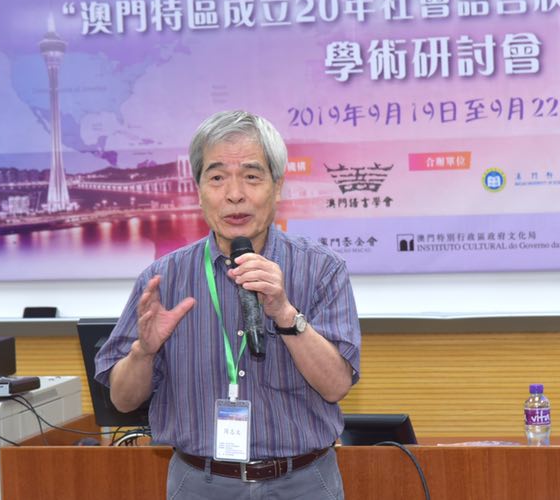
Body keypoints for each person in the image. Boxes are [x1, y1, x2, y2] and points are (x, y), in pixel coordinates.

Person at [95, 110, 361, 499]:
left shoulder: (321, 269)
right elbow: (122, 399)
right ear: (198, 189)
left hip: (303, 482)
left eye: (251, 177)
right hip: (200, 483)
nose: (234, 194)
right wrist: (144, 352)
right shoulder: (163, 278)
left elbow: (337, 386)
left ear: (277, 186)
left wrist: (285, 313)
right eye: (217, 178)